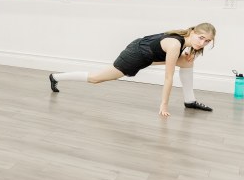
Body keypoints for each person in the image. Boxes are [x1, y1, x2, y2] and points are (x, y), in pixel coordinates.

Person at [49, 23, 216, 116]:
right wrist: (164, 105)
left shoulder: (184, 41)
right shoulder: (175, 45)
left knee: (188, 63)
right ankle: (56, 77)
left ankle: (189, 101)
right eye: (201, 38)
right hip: (135, 55)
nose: (202, 43)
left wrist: (185, 58)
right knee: (96, 79)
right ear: (193, 31)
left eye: (207, 41)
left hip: (146, 53)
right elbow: (168, 78)